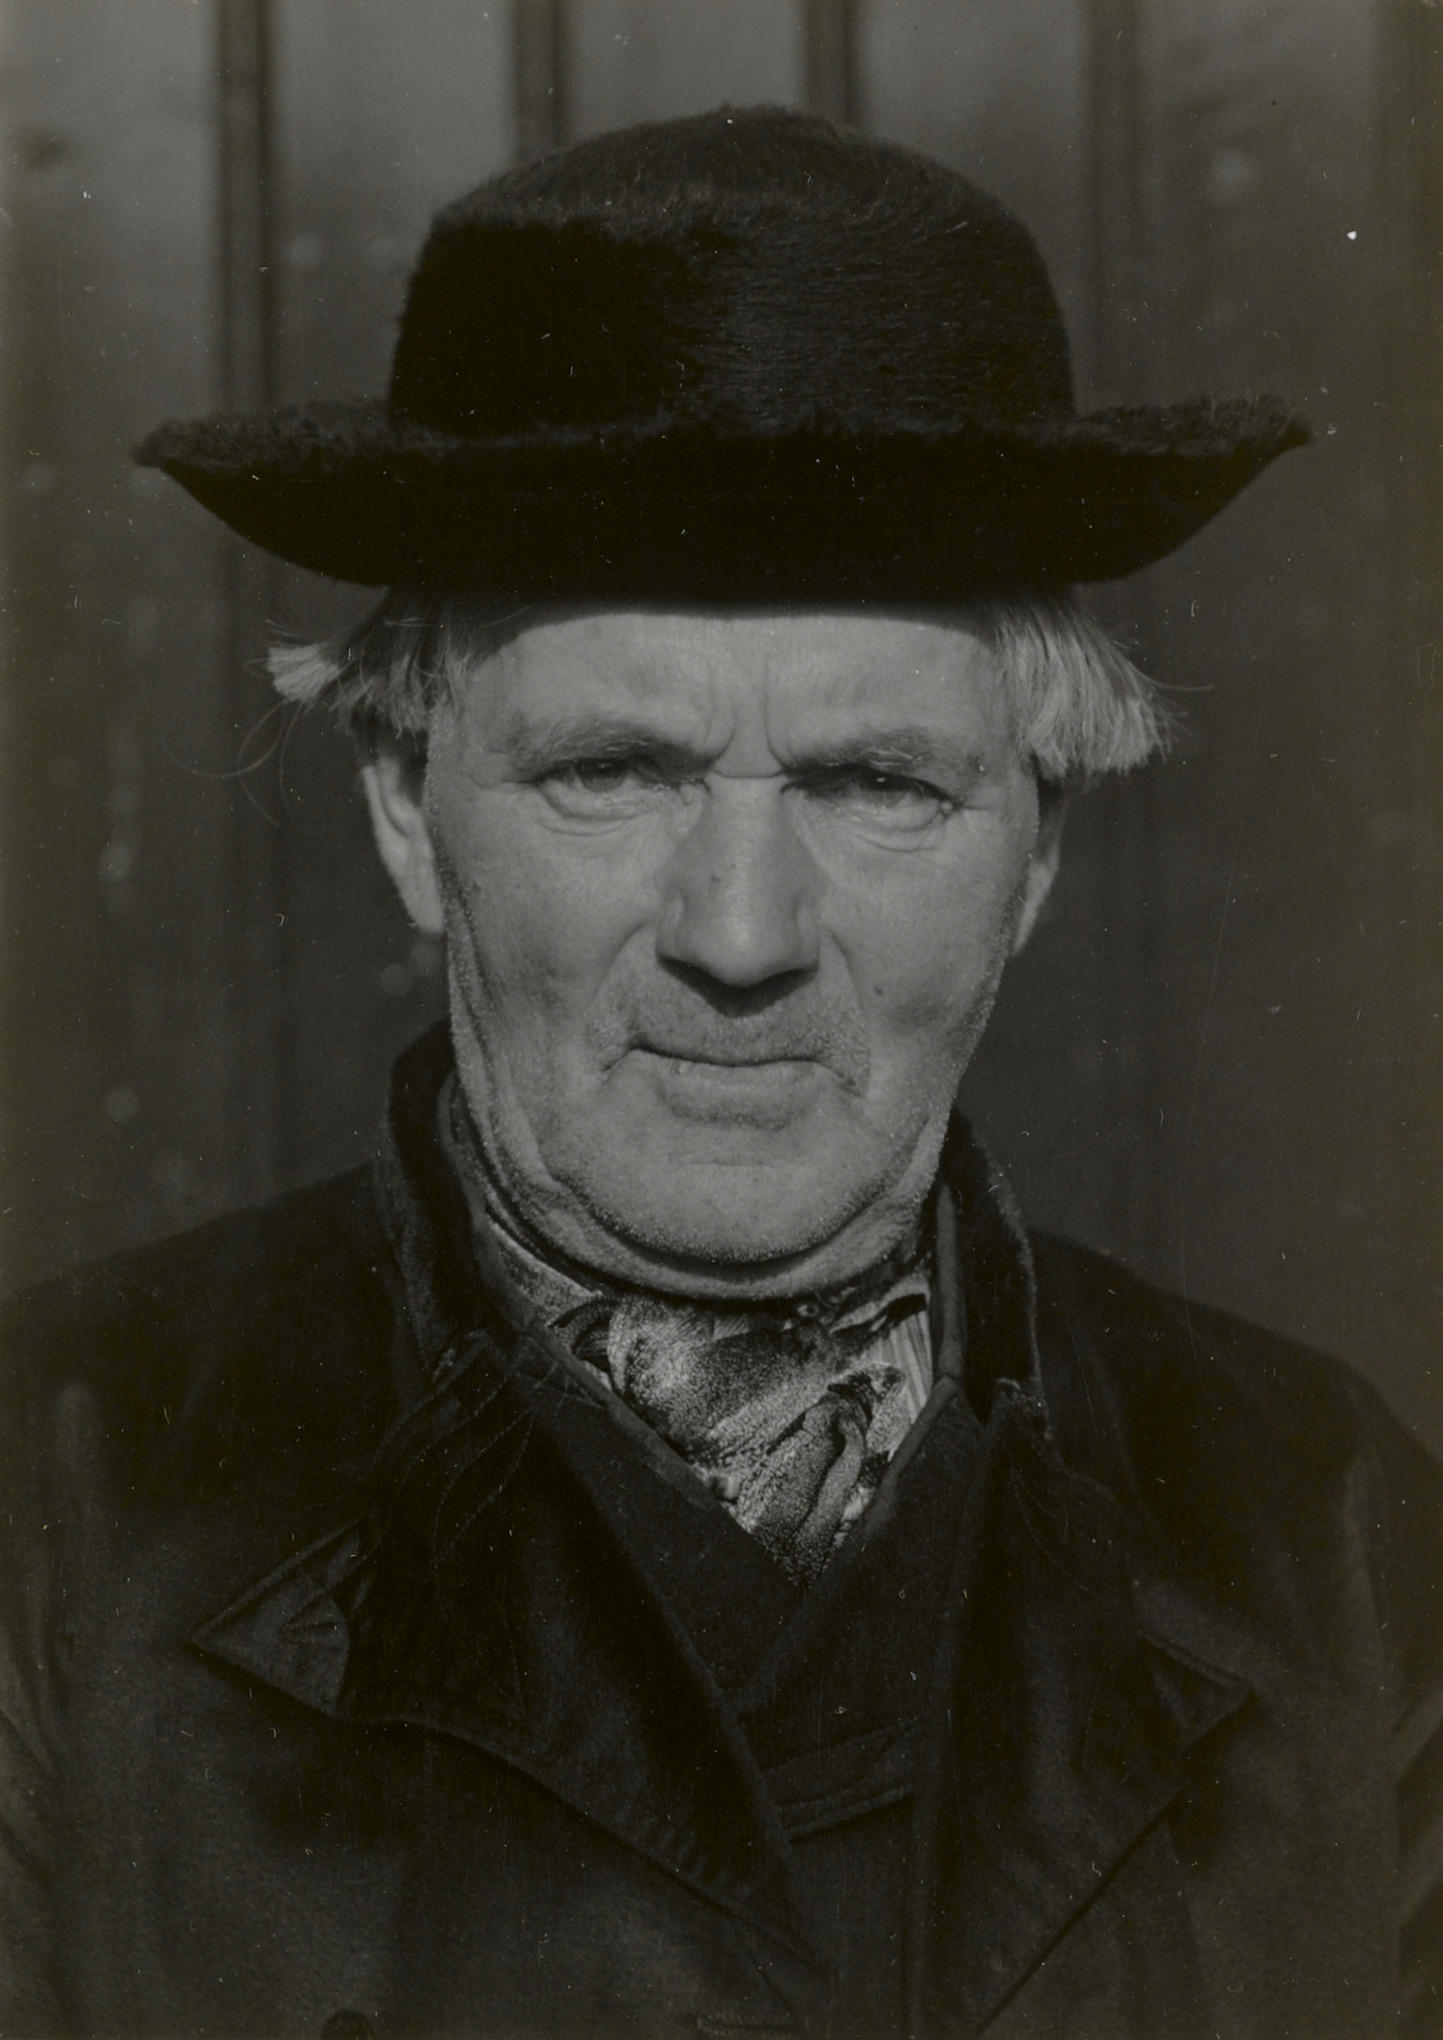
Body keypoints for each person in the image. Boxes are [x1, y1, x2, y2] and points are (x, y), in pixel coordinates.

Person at [2, 105, 1439, 2040]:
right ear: (407, 811)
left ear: (1038, 852)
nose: (742, 933)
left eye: (876, 783)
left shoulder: (1337, 1543)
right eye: (614, 771)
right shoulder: (50, 1515)